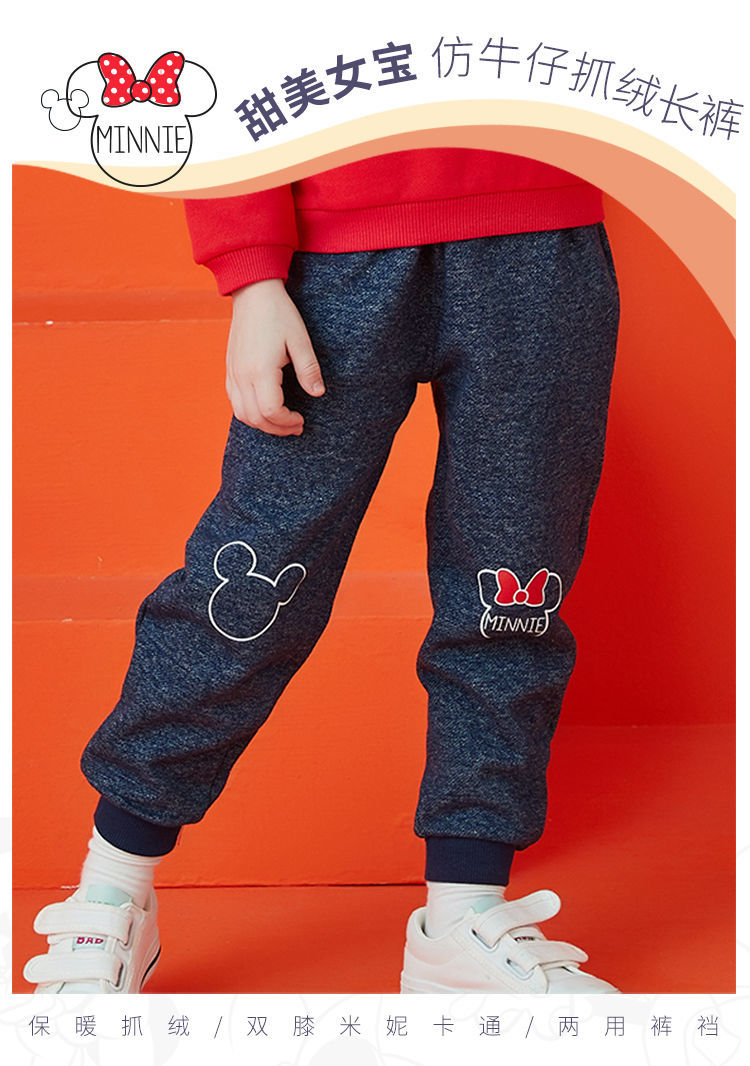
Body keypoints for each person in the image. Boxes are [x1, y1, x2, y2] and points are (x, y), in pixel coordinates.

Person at [24, 146, 621, 994]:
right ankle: (114, 886)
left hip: (545, 237)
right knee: (248, 589)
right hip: (334, 254)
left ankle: (464, 916)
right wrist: (251, 274)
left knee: (513, 596)